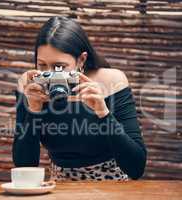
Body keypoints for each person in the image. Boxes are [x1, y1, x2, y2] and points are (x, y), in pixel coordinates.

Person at [12, 16, 147, 181]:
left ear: (81, 60)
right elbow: (24, 166)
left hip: (113, 186)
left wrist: (104, 113)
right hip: (59, 187)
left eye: (59, 67)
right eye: (42, 65)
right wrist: (33, 111)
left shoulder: (113, 81)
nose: (51, 74)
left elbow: (136, 167)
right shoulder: (30, 84)